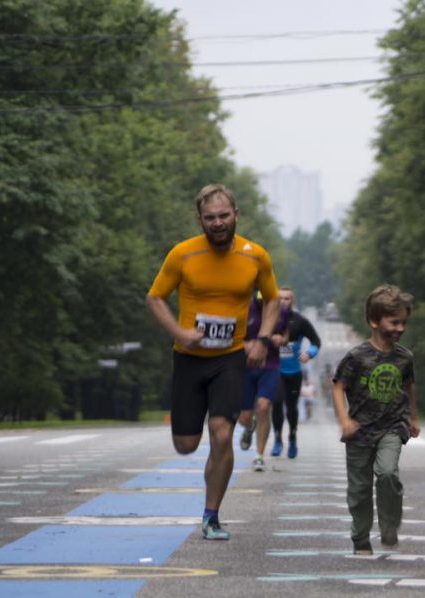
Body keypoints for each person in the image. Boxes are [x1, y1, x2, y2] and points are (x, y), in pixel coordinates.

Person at [146, 183, 280, 541]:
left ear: (236, 214)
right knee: (186, 445)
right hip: (189, 360)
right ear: (200, 220)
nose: (218, 223)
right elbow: (155, 297)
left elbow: (272, 300)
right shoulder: (183, 254)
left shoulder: (256, 256)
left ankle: (211, 515)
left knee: (222, 435)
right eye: (210, 218)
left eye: (223, 216)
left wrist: (263, 339)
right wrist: (179, 330)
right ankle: (208, 494)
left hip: (230, 359)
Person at [331, 284, 419, 555]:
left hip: (392, 427)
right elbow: (337, 387)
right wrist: (344, 420)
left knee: (388, 473)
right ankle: (360, 538)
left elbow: (409, 386)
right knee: (358, 489)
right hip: (359, 431)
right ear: (374, 321)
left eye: (403, 322)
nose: (400, 328)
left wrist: (413, 418)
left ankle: (389, 526)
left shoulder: (405, 357)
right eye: (394, 322)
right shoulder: (357, 357)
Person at [238, 292, 288, 472]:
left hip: (270, 366)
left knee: (264, 406)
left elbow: (286, 336)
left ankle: (259, 456)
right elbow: (232, 337)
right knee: (244, 417)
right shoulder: (243, 307)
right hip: (246, 367)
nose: (263, 304)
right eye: (260, 301)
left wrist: (281, 340)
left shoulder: (282, 310)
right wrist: (246, 345)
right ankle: (249, 427)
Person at [272, 287, 322, 458]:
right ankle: (278, 439)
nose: (283, 301)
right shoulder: (269, 320)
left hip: (293, 372)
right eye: (280, 298)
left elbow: (316, 341)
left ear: (292, 301)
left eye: (287, 298)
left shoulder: (300, 321)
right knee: (277, 403)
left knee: (291, 407)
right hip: (274, 370)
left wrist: (309, 353)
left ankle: (292, 437)